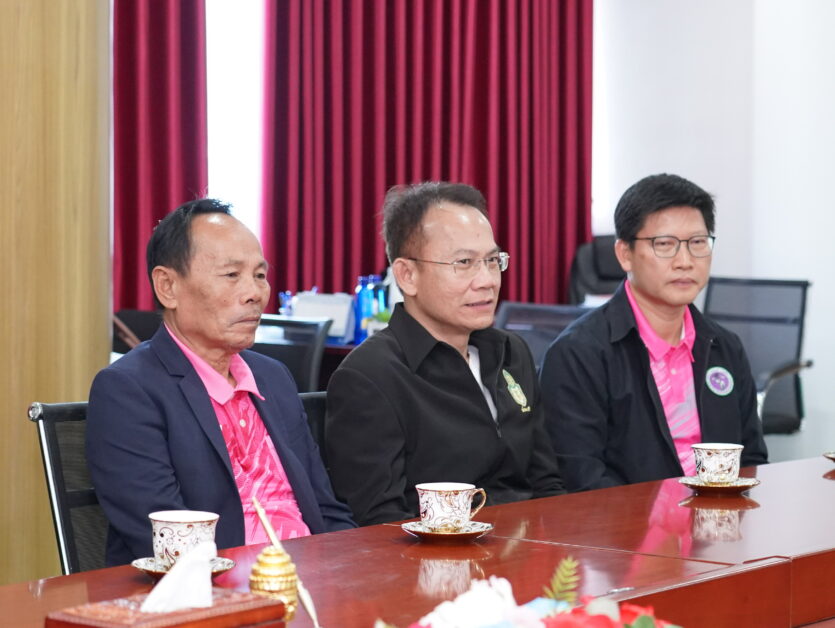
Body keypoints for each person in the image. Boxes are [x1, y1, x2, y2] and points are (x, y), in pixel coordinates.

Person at [87, 199, 355, 566]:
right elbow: (169, 545)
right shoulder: (128, 390)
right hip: (215, 587)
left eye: (259, 275)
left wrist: (354, 569)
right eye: (231, 275)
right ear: (168, 286)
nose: (255, 293)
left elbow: (325, 508)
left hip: (313, 579)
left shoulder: (272, 378)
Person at [325, 182, 565, 526]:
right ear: (407, 275)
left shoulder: (511, 352)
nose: (487, 280)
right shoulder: (371, 376)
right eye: (464, 262)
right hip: (437, 553)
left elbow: (546, 483)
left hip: (530, 546)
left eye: (492, 261)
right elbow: (378, 523)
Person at [540, 174, 768, 492]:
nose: (685, 261)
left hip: (720, 518)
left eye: (698, 243)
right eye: (664, 245)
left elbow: (751, 459)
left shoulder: (725, 347)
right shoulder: (578, 354)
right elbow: (581, 478)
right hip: (624, 523)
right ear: (625, 253)